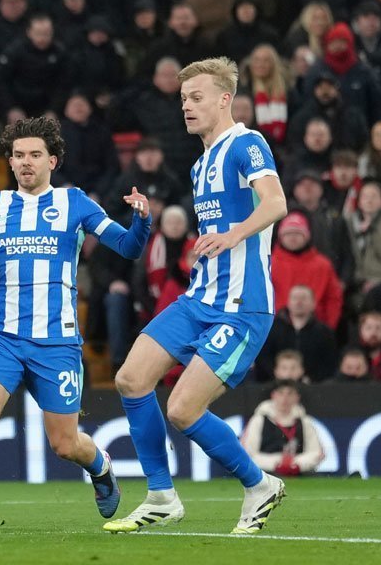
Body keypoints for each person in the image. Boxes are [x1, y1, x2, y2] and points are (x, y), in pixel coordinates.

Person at [0, 116, 150, 533]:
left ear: (53, 161)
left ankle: (100, 467)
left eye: (35, 155)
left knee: (65, 445)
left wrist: (141, 221)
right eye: (19, 155)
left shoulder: (75, 203)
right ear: (10, 162)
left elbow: (129, 247)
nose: (26, 162)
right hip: (1, 338)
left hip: (57, 342)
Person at [107, 57, 288, 535]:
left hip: (242, 307)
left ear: (224, 99)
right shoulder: (200, 164)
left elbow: (276, 202)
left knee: (184, 409)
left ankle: (259, 485)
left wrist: (233, 235)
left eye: (197, 97)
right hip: (199, 298)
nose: (186, 106)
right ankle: (162, 496)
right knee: (130, 378)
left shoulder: (247, 144)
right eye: (183, 99)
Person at [240, 381, 326, 476]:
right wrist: (276, 464)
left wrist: (296, 464)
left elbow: (316, 452)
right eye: (281, 393)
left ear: (297, 397)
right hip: (265, 473)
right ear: (273, 395)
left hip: (299, 473)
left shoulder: (305, 422)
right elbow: (248, 453)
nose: (285, 398)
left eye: (290, 394)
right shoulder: (259, 420)